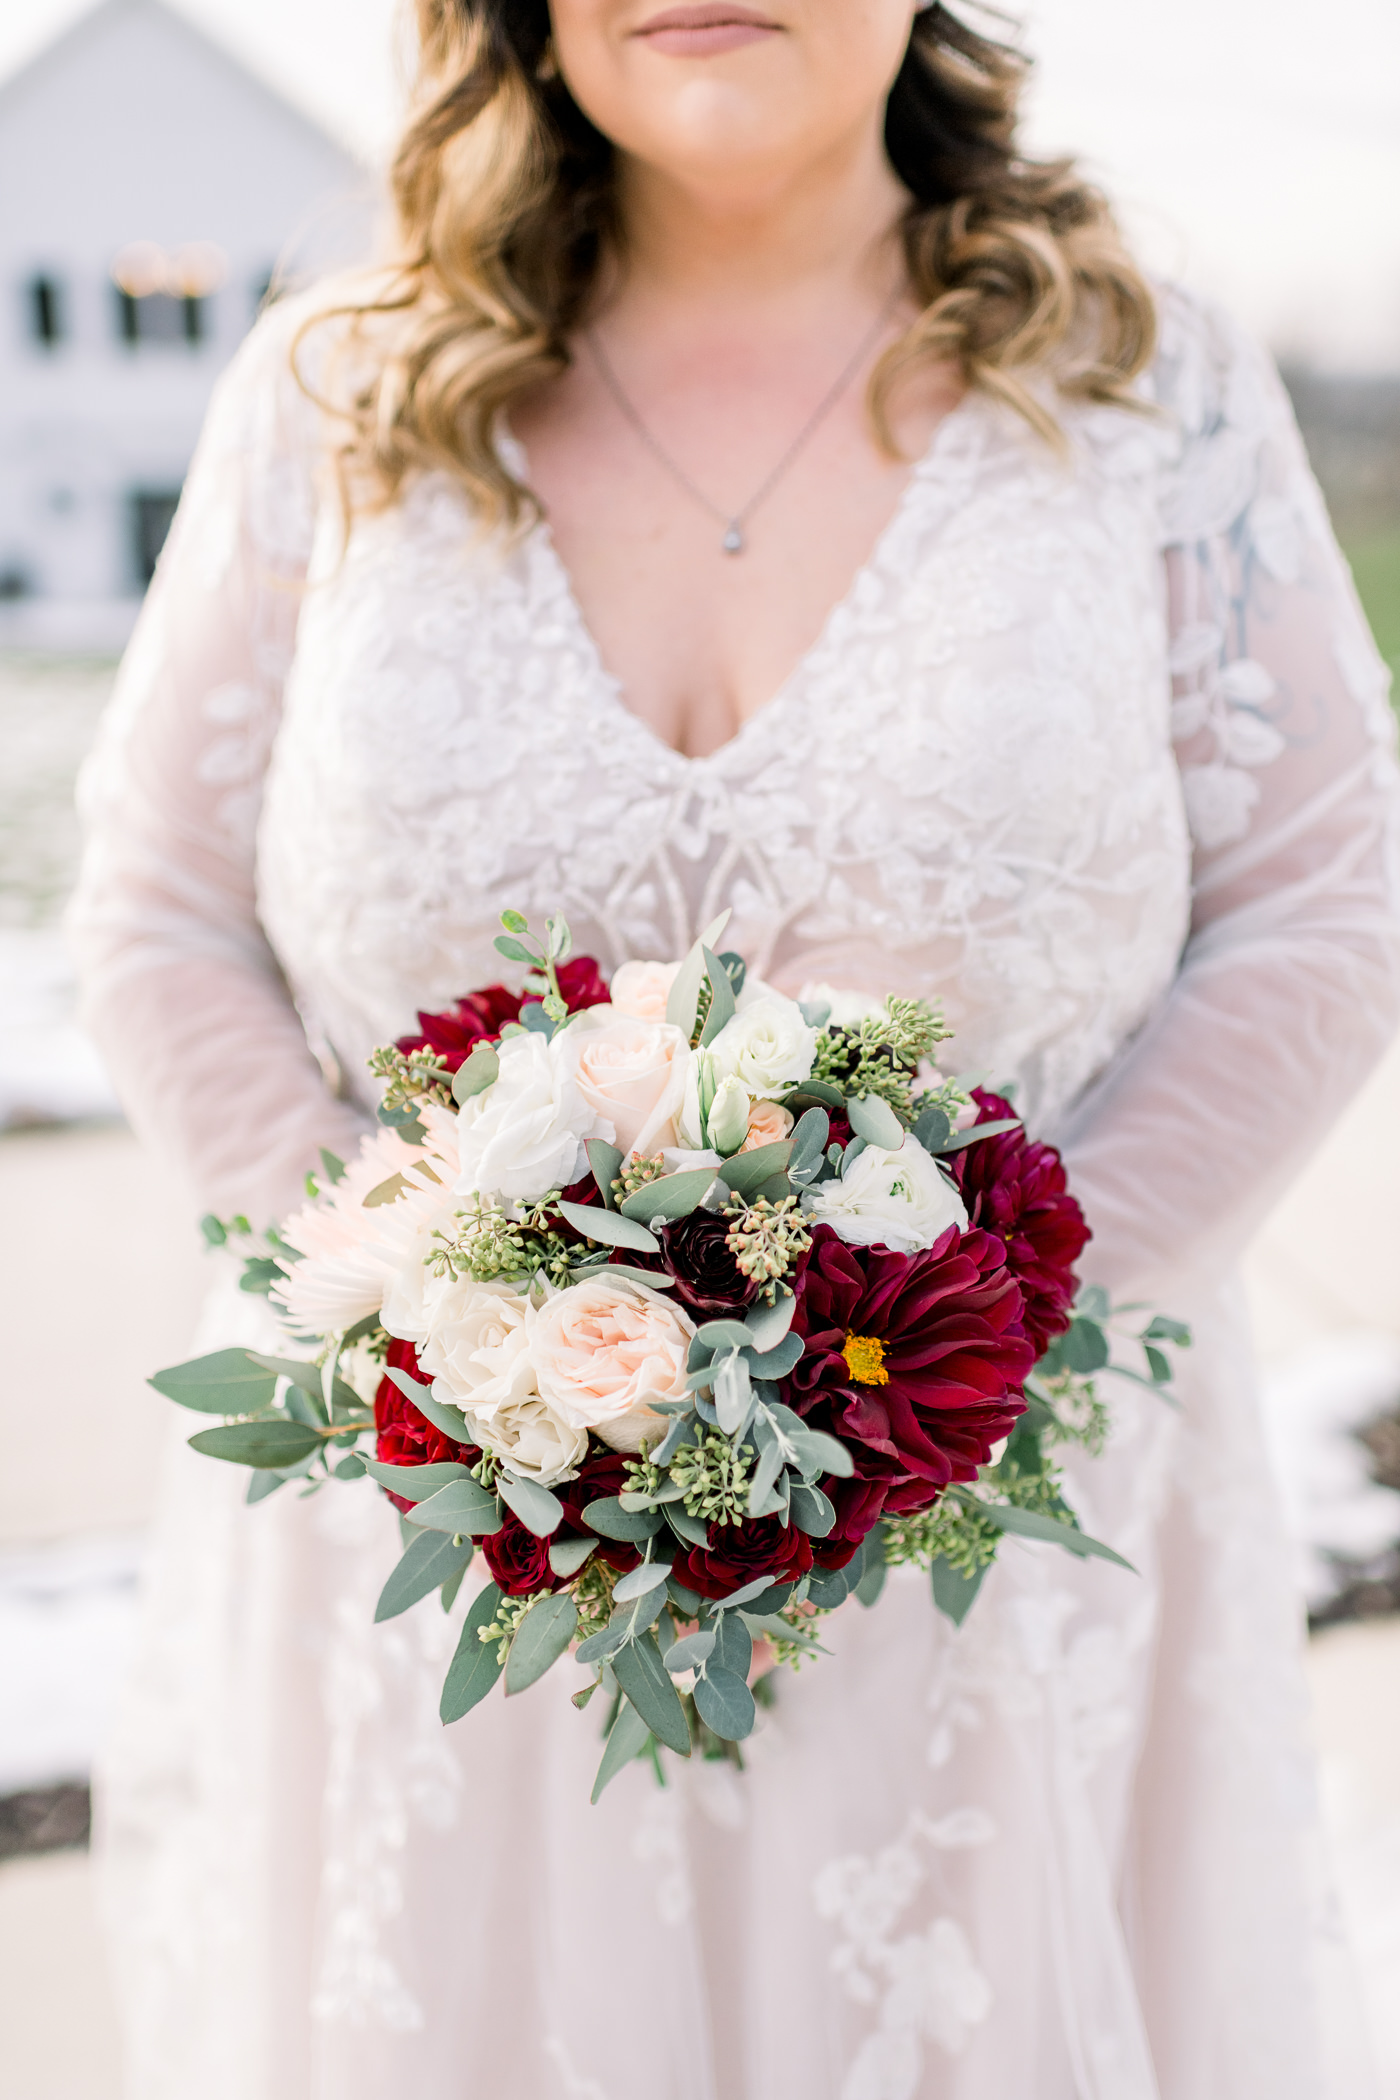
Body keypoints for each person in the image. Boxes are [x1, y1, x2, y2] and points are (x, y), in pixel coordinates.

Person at [71, 3, 1400, 2095]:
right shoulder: (333, 397)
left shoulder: (1150, 382)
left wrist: (964, 1355)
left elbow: (1323, 900)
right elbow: (150, 911)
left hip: (1001, 1581)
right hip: (455, 1594)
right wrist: (446, 1334)